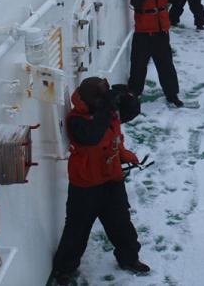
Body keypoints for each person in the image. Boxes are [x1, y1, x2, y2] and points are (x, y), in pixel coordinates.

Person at [51, 77, 148, 285]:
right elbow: (92, 136)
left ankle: (129, 258)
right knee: (76, 230)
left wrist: (129, 97)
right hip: (85, 187)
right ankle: (64, 269)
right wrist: (107, 109)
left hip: (111, 180)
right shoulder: (75, 121)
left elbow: (124, 121)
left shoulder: (107, 114)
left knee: (121, 223)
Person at [128, 0, 186, 107]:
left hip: (161, 35)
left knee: (166, 66)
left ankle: (172, 94)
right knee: (138, 66)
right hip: (143, 35)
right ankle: (134, 94)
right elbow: (134, 2)